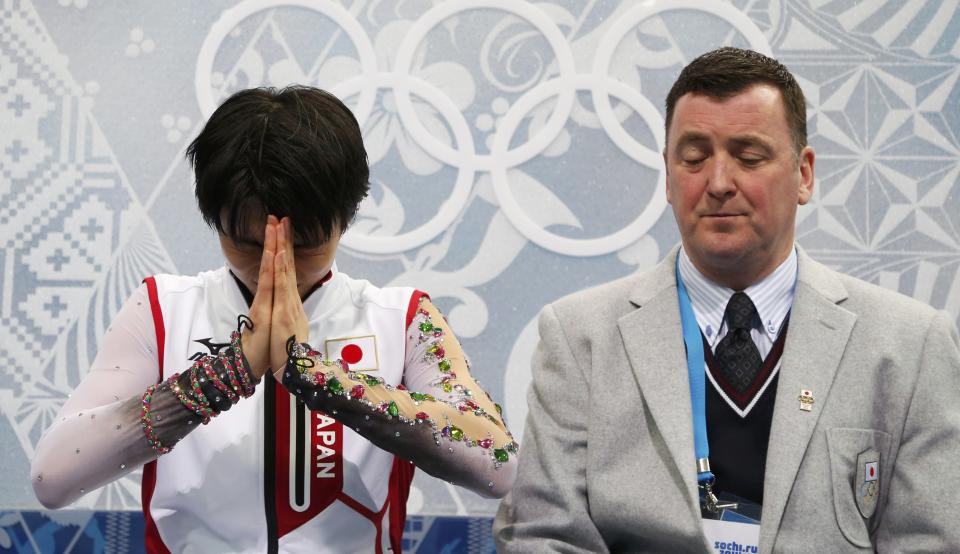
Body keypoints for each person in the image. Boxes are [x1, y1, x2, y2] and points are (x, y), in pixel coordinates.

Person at [494, 47, 960, 552]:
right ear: (668, 175)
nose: (717, 184)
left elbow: (931, 539)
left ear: (804, 174)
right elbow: (541, 534)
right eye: (694, 158)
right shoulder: (580, 336)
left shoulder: (910, 345)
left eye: (749, 157)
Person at [31, 86, 518, 553]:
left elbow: (496, 466)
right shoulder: (161, 308)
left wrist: (313, 377)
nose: (274, 262)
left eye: (302, 244)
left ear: (343, 219)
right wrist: (230, 371)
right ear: (215, 219)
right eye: (247, 243)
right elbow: (52, 478)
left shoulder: (402, 318)